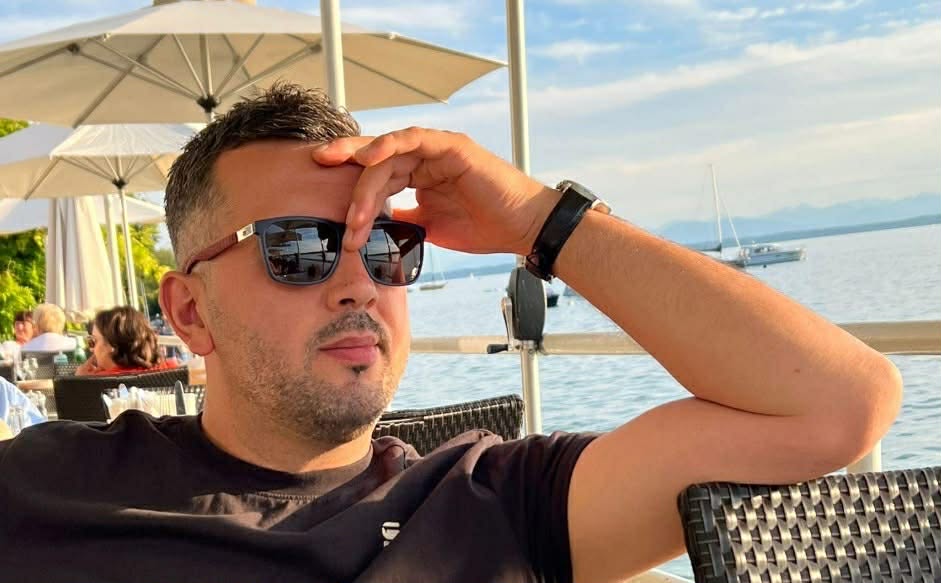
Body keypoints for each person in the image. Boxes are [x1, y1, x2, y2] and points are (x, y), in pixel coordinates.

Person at [0, 84, 902, 583]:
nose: (358, 282)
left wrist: (538, 220)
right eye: (300, 247)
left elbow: (838, 404)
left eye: (384, 246)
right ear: (189, 310)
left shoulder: (492, 500)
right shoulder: (48, 489)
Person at [75, 306, 179, 376]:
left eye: (93, 341)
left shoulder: (97, 383)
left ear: (111, 345)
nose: (91, 349)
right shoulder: (171, 371)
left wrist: (79, 380)